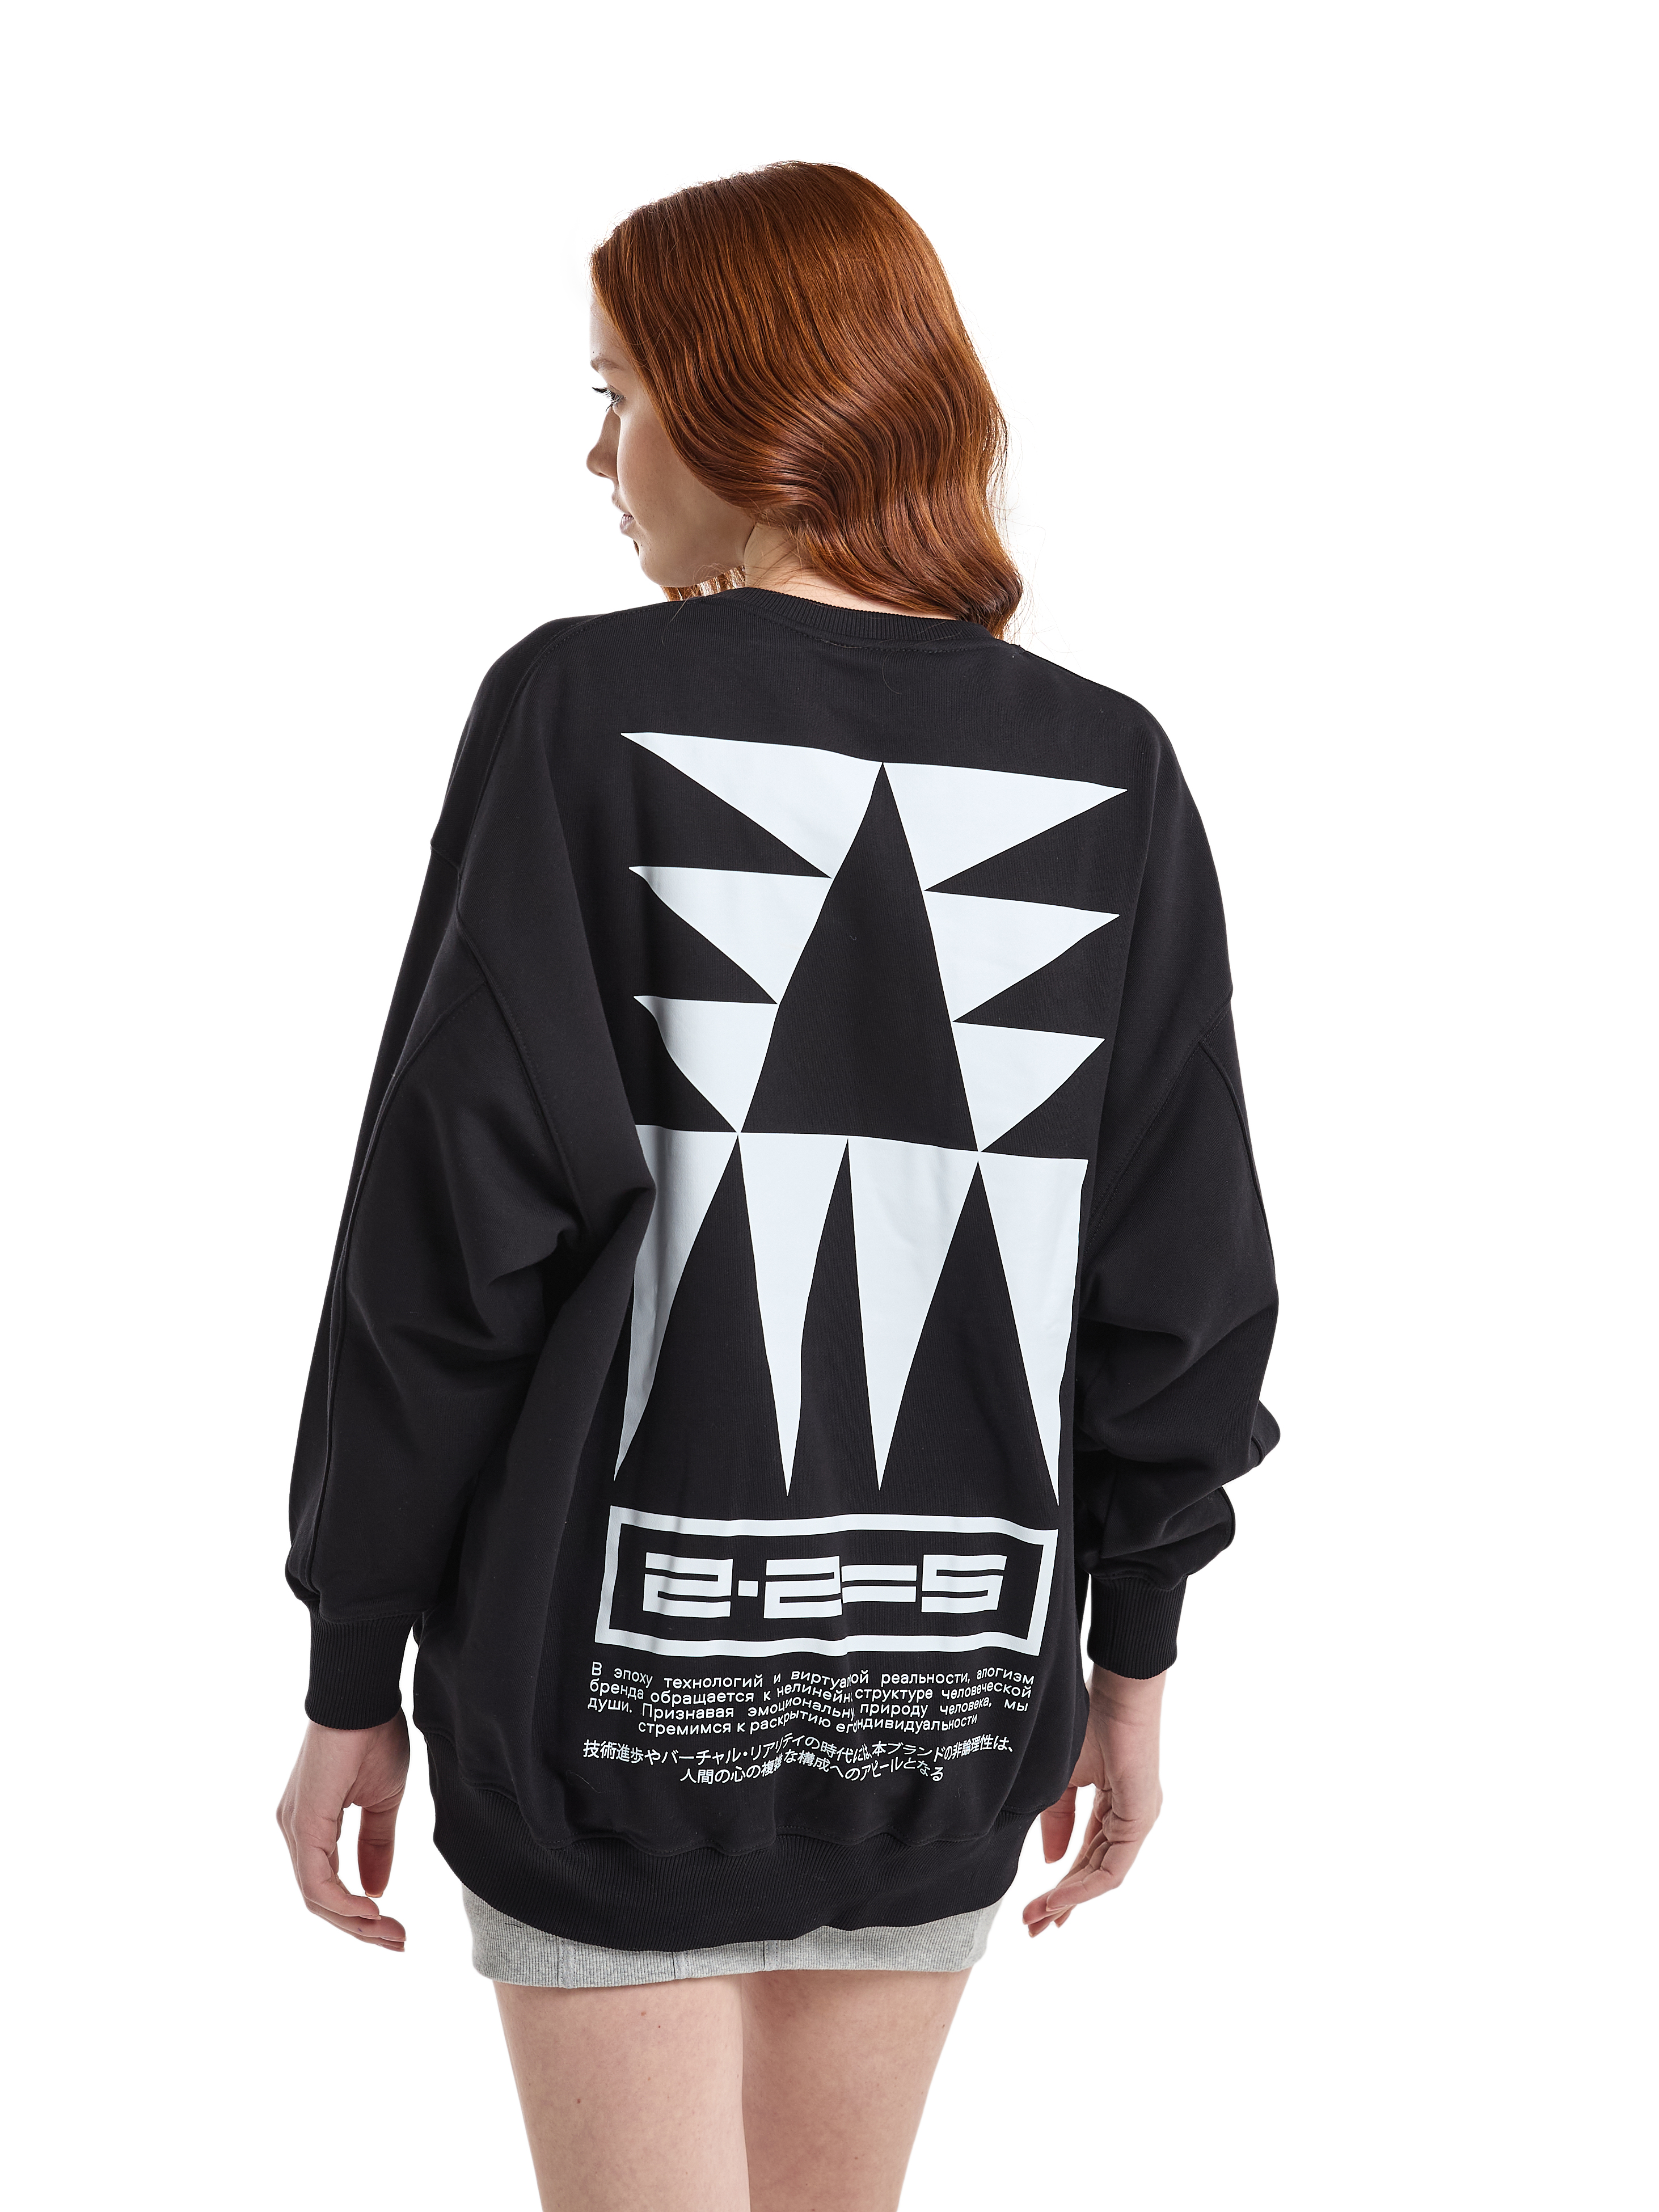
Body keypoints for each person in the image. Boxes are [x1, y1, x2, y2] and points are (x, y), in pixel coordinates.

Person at [276, 161, 1278, 2212]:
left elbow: (443, 1250)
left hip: (606, 1700)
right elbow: (1179, 1274)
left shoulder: (580, 710)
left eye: (618, 392)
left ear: (743, 401)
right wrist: (1134, 1659)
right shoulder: (1115, 767)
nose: (598, 456)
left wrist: (348, 1665)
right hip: (957, 1687)